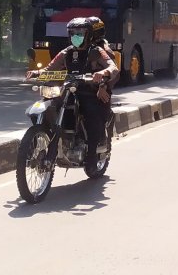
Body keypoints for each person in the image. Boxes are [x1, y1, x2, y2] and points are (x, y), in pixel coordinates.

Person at [26, 16, 120, 167]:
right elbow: (50, 68)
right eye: (73, 33)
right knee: (50, 103)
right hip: (69, 89)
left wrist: (103, 74)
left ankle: (91, 156)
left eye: (80, 33)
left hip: (89, 91)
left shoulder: (97, 51)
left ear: (88, 35)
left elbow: (113, 67)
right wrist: (36, 72)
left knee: (91, 113)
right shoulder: (66, 52)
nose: (76, 37)